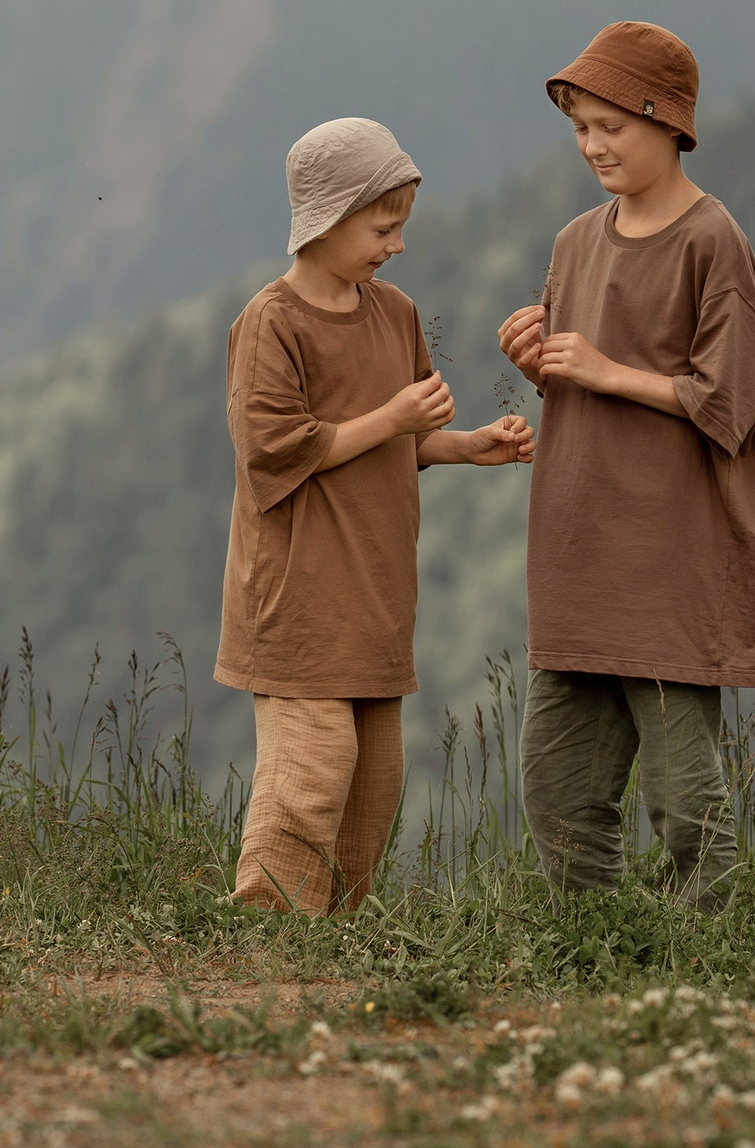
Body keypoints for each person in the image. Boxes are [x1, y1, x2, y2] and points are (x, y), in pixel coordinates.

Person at [217, 117, 536, 913]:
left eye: (400, 227)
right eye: (381, 228)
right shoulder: (272, 321)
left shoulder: (394, 312)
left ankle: (329, 940)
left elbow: (399, 439)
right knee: (311, 766)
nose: (396, 245)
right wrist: (394, 417)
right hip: (298, 595)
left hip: (374, 593)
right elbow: (273, 450)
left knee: (373, 780)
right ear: (325, 218)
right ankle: (265, 934)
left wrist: (466, 446)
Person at [494, 23, 755, 904]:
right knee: (556, 787)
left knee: (682, 798)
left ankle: (715, 953)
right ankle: (596, 946)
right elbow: (576, 381)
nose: (593, 145)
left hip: (668, 558)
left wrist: (608, 370)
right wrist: (537, 362)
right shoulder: (574, 240)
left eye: (611, 125)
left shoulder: (712, 239)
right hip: (579, 551)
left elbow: (731, 400)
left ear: (668, 121)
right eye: (581, 127)